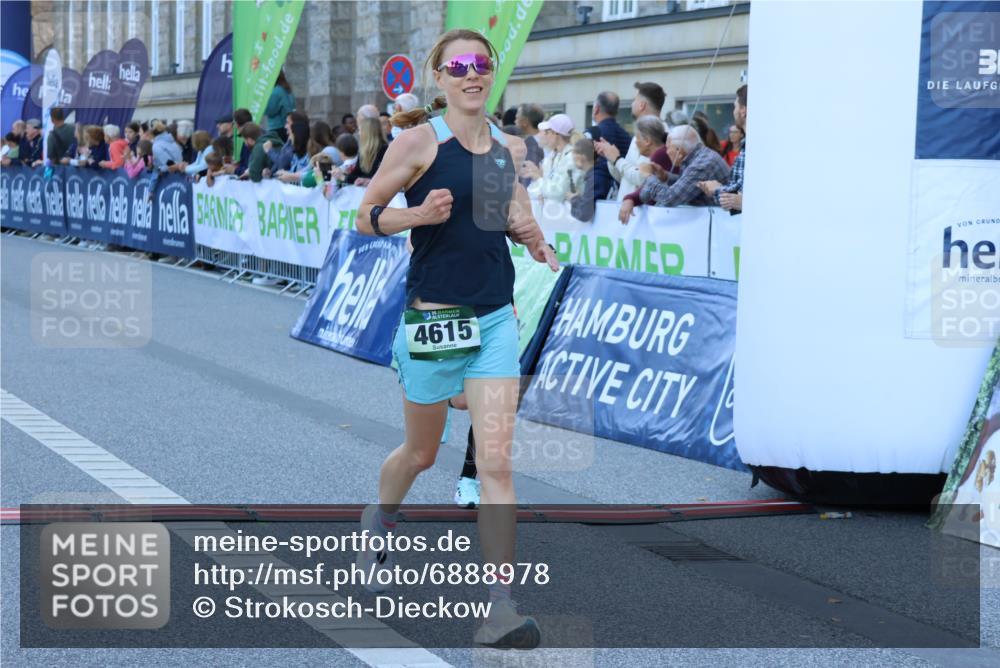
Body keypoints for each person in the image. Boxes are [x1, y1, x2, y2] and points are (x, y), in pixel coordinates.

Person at [355, 28, 557, 650]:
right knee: (420, 455)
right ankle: (379, 518)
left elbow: (512, 212)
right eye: (460, 66)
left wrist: (535, 238)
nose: (473, 74)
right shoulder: (419, 142)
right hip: (435, 321)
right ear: (439, 77)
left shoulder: (507, 148)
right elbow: (366, 216)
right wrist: (417, 215)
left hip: (494, 317)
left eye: (482, 64)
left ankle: (500, 608)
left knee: (495, 463)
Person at [595, 81, 665, 202]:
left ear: (641, 105)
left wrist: (617, 159)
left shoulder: (659, 133)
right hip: (628, 210)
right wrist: (610, 158)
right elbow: (624, 177)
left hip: (640, 212)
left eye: (634, 100)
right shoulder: (639, 133)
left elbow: (642, 178)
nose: (632, 104)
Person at [638, 124, 729, 207]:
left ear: (679, 151)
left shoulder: (701, 164)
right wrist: (665, 177)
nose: (666, 152)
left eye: (668, 147)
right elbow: (687, 184)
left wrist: (648, 175)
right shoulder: (698, 157)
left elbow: (669, 199)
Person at [699, 84, 747, 214]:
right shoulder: (745, 146)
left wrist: (716, 189)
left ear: (743, 110)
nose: (733, 111)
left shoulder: (750, 148)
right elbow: (737, 196)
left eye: (735, 106)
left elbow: (739, 195)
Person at [614, 117, 669, 223]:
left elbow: (649, 191)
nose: (635, 143)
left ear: (647, 141)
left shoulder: (660, 155)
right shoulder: (660, 154)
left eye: (637, 138)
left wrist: (631, 199)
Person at [523, 113, 581, 202]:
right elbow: (532, 191)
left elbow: (558, 193)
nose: (539, 136)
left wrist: (538, 178)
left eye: (543, 132)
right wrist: (540, 187)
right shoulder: (551, 157)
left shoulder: (572, 158)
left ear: (553, 133)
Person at [587, 91, 631, 200]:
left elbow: (597, 170)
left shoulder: (594, 134)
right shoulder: (626, 135)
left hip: (598, 196)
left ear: (596, 108)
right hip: (622, 195)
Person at [345, 115, 386, 185]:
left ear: (368, 133)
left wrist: (345, 177)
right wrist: (344, 175)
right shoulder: (363, 151)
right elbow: (356, 174)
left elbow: (381, 177)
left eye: (360, 130)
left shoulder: (384, 150)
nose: (359, 133)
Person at [569, 138, 596, 222]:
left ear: (581, 157)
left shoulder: (593, 178)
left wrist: (574, 199)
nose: (572, 157)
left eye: (574, 154)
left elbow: (583, 214)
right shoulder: (591, 175)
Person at [265, 69, 295, 142]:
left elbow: (269, 111)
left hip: (276, 127)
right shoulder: (287, 90)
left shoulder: (276, 92)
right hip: (287, 126)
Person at [514, 103, 544, 169]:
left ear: (525, 122)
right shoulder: (545, 139)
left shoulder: (531, 144)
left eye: (517, 118)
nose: (515, 122)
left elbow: (528, 175)